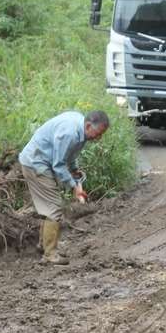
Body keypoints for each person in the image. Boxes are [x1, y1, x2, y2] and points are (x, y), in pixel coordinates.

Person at [19, 111, 109, 265]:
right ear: (88, 125)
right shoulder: (70, 133)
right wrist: (75, 187)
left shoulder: (81, 130)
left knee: (49, 207)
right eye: (98, 133)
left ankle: (43, 246)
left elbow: (70, 155)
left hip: (41, 161)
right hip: (35, 163)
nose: (98, 138)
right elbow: (58, 164)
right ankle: (50, 255)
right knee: (54, 207)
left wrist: (74, 170)